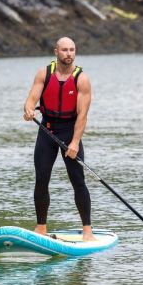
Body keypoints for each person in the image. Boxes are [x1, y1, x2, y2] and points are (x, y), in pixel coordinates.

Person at [23, 37, 95, 241]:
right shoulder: (44, 73)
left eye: (72, 50)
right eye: (64, 50)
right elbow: (31, 100)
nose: (69, 53)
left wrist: (74, 143)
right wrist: (28, 110)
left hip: (69, 132)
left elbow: (82, 116)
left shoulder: (82, 79)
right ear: (56, 51)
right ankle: (41, 227)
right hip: (46, 130)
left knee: (78, 181)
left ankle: (87, 231)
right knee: (41, 179)